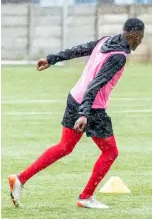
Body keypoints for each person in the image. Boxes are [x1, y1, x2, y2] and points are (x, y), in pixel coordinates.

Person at [8, 18, 145, 208]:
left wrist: (51, 59)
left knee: (64, 146)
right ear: (134, 35)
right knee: (110, 152)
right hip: (91, 107)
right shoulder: (119, 56)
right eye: (141, 37)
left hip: (75, 98)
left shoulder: (105, 40)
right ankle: (86, 197)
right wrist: (84, 113)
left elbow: (78, 49)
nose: (141, 41)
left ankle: (20, 179)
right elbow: (96, 83)